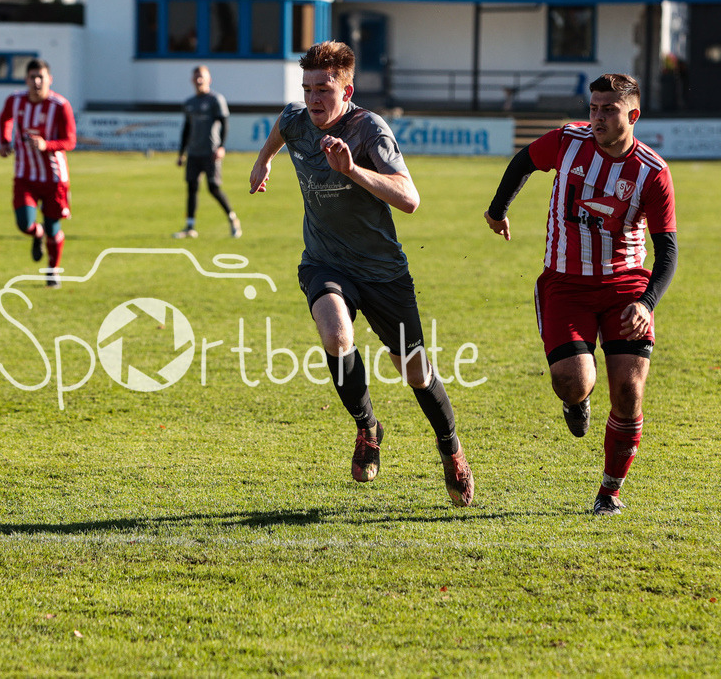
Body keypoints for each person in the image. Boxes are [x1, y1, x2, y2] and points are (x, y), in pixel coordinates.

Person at [249, 41, 474, 507]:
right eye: (308, 87)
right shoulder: (296, 119)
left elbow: (409, 199)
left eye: (324, 89)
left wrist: (352, 170)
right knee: (335, 335)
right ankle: (367, 427)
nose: (314, 98)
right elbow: (280, 128)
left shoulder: (370, 130)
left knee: (413, 371)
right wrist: (263, 160)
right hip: (325, 262)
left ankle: (450, 448)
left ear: (346, 89)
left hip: (383, 272)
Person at [483, 73, 677, 516]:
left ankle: (609, 490)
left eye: (608, 110)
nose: (597, 118)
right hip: (565, 285)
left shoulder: (652, 173)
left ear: (633, 114)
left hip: (625, 286)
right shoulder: (566, 141)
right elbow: (523, 162)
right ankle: (578, 401)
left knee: (628, 391)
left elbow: (667, 249)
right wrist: (498, 211)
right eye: (593, 108)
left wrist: (646, 304)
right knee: (572, 382)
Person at [0, 58, 77, 286]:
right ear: (26, 80)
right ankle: (36, 233)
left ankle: (52, 271)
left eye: (41, 77)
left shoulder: (60, 105)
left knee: (54, 228)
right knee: (24, 223)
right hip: (25, 175)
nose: (37, 81)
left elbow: (70, 141)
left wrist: (46, 145)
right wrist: (4, 141)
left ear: (50, 79)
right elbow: (5, 119)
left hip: (54, 178)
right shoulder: (15, 100)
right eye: (33, 77)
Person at [174, 65, 241, 239]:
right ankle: (190, 227)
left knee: (213, 188)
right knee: (191, 187)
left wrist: (221, 147)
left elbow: (224, 123)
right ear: (192, 80)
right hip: (193, 153)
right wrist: (181, 154)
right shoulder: (189, 103)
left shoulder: (215, 100)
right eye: (196, 77)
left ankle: (233, 219)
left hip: (210, 152)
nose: (198, 80)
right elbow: (186, 129)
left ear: (209, 79)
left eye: (201, 77)